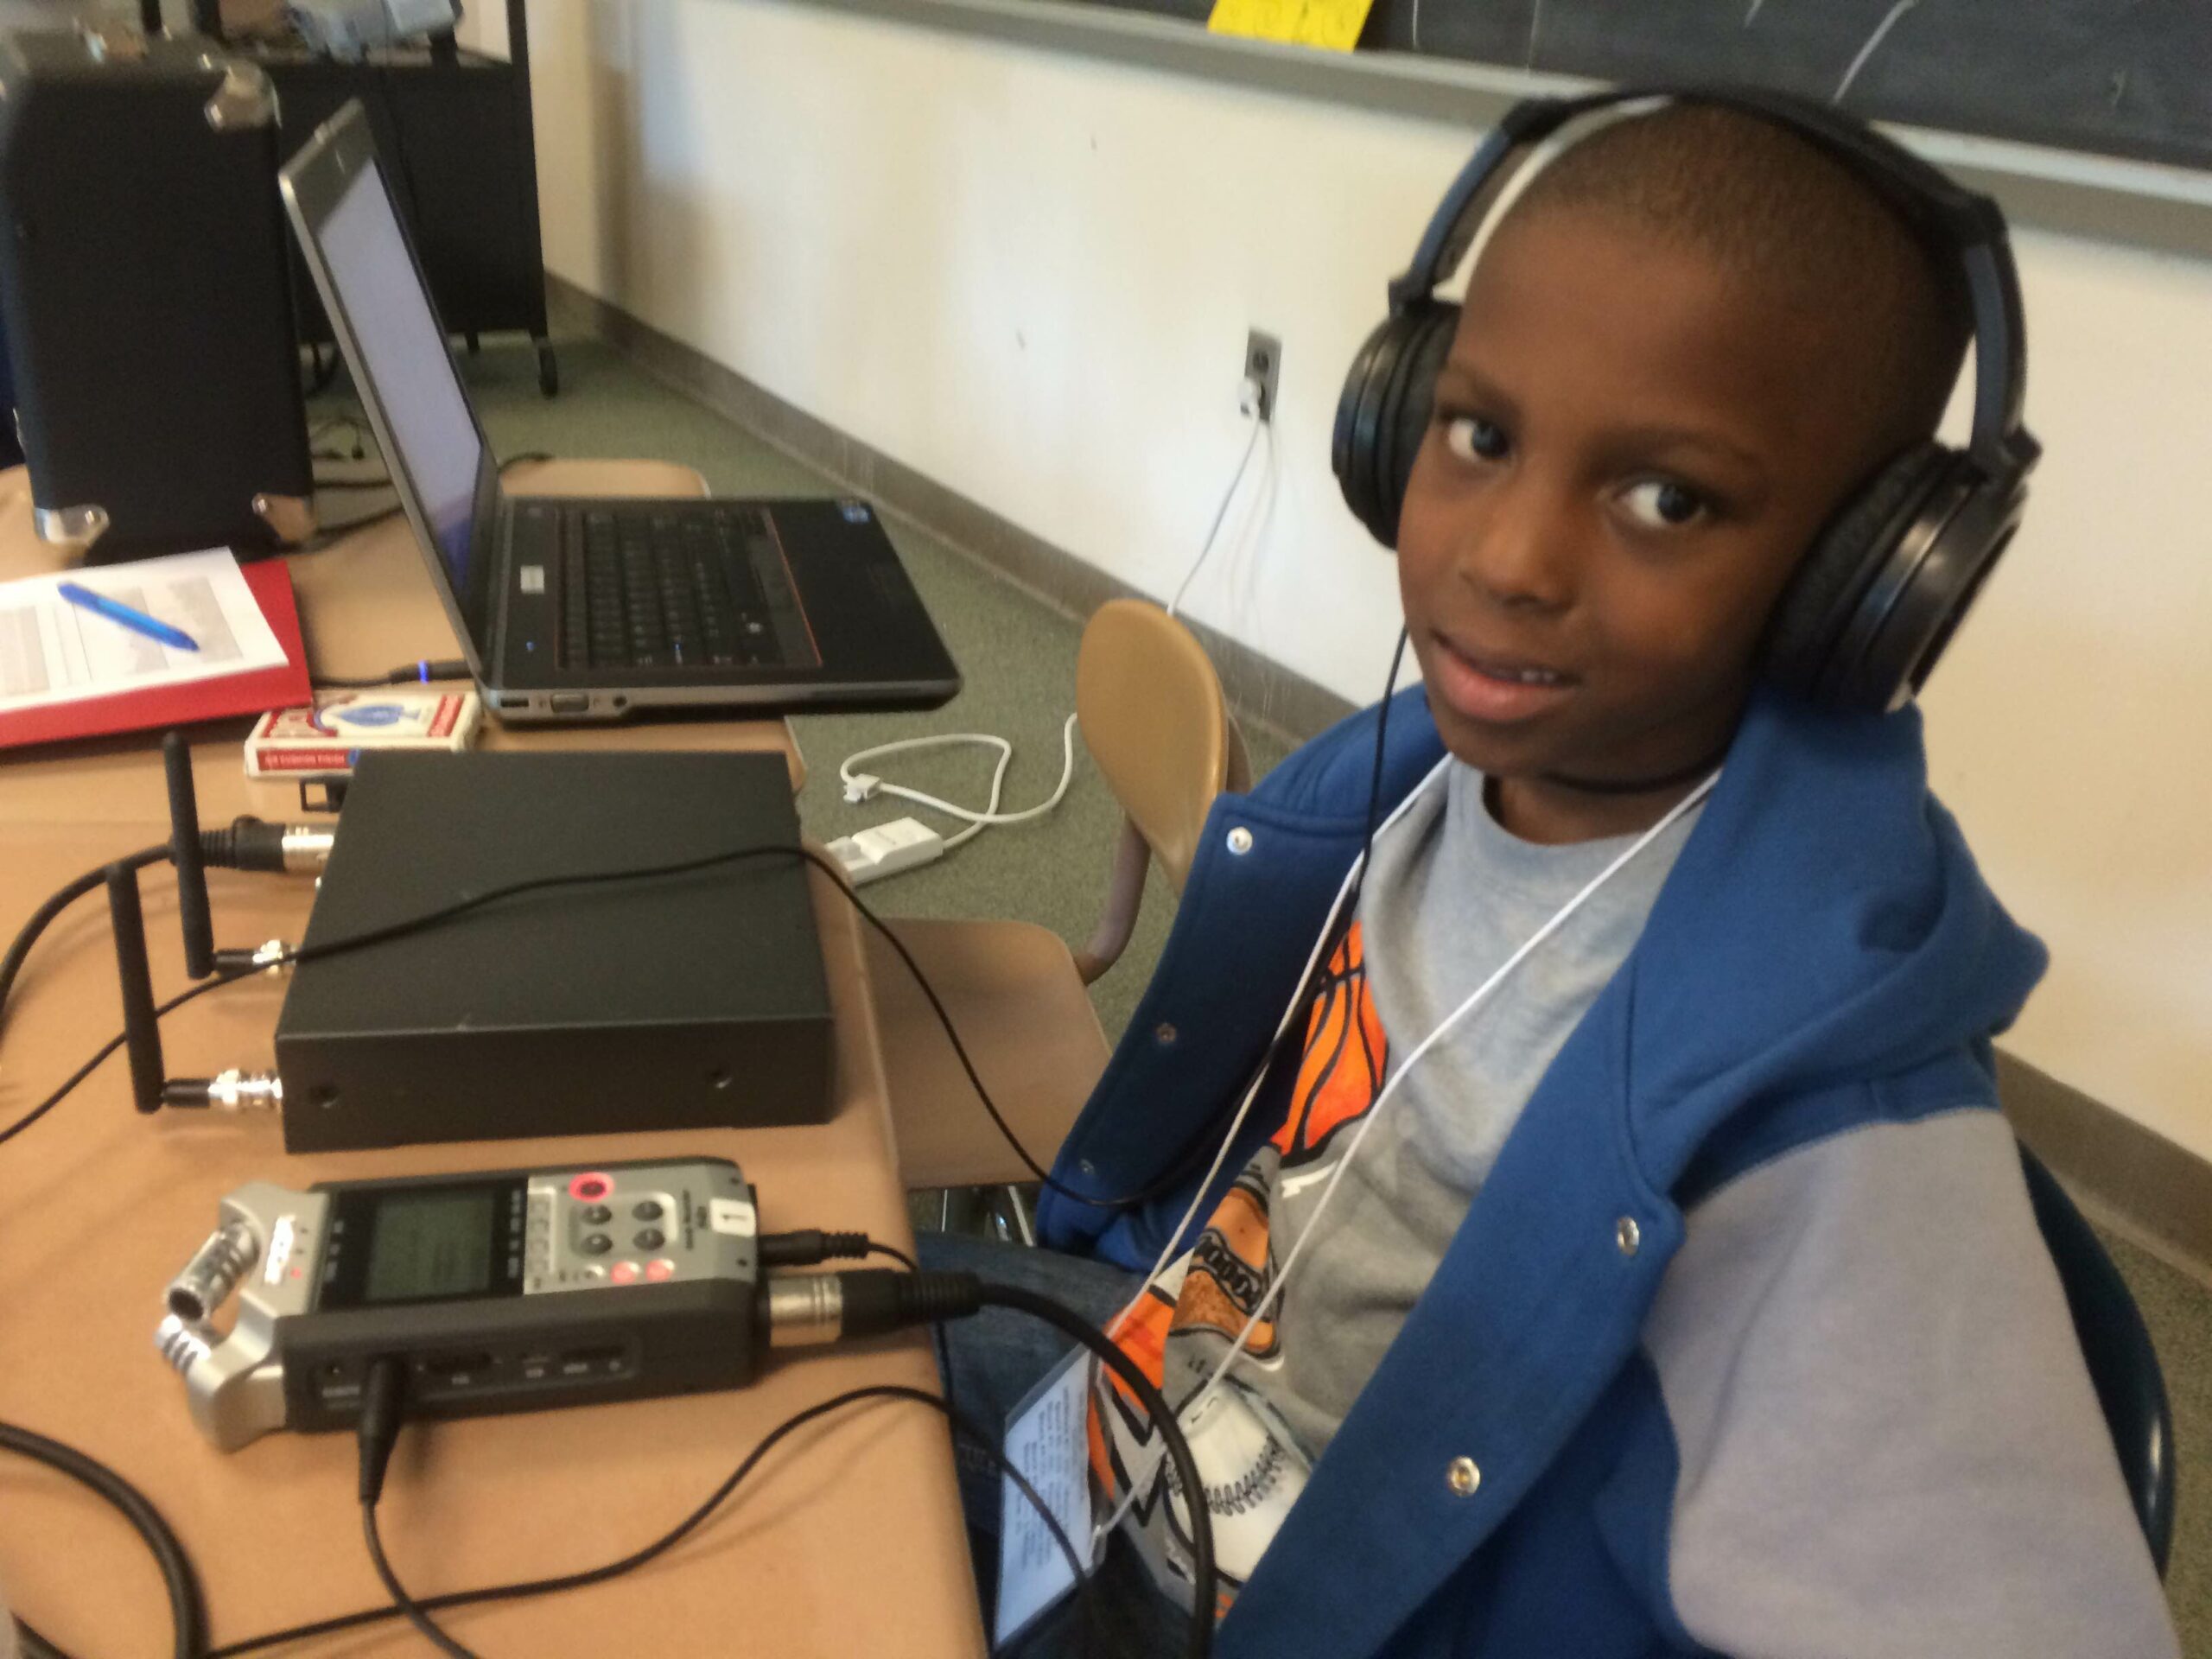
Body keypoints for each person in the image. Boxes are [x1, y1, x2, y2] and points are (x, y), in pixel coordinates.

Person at [923, 92, 2181, 1659]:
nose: (1508, 557)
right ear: (1392, 423)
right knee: (714, 1333)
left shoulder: (1844, 1145)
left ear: (1864, 588)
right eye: (1479, 433)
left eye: (1669, 499)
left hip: (1312, 1599)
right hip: (1144, 1404)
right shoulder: (1414, 780)